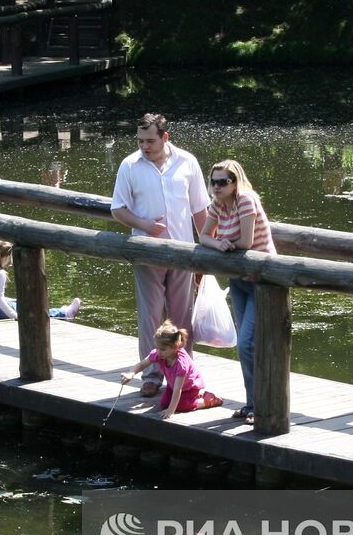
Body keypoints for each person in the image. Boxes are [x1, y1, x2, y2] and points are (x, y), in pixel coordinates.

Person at [110, 113, 210, 397]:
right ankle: (152, 376)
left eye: (151, 140)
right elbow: (118, 209)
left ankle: (184, 373)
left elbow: (200, 210)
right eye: (141, 141)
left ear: (165, 137)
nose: (145, 146)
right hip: (146, 252)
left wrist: (206, 249)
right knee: (151, 317)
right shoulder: (130, 165)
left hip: (183, 253)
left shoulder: (187, 162)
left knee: (182, 318)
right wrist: (144, 226)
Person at [197, 159, 275, 425]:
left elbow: (247, 242)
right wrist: (219, 244)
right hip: (239, 278)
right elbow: (203, 236)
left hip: (261, 280)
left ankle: (260, 404)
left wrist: (225, 242)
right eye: (213, 181)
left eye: (223, 182)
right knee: (246, 346)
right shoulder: (218, 203)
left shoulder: (246, 200)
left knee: (246, 343)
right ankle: (252, 403)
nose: (216, 187)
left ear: (235, 183)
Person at [121, 321, 224, 420]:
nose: (158, 352)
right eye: (157, 348)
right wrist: (131, 374)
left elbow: (178, 389)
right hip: (173, 385)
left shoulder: (181, 364)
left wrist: (171, 410)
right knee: (165, 403)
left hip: (189, 387)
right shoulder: (159, 354)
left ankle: (208, 400)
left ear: (175, 347)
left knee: (182, 406)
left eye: (162, 349)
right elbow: (142, 364)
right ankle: (196, 396)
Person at [0, 241, 81, 321]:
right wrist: (16, 316)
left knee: (21, 302)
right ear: (6, 257)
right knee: (31, 308)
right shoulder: (0, 274)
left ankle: (61, 311)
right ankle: (63, 313)